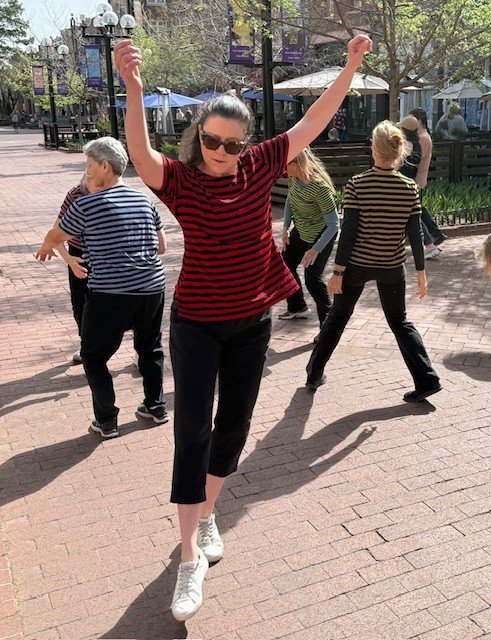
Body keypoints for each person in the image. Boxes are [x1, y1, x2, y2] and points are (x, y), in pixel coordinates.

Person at [114, 32, 372, 621]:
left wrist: (350, 67)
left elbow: (312, 122)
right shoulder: (181, 180)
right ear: (198, 137)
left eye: (231, 144)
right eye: (211, 141)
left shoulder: (258, 166)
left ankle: (207, 515)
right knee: (192, 432)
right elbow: (141, 153)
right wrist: (132, 87)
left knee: (233, 424)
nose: (220, 152)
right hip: (196, 324)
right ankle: (188, 558)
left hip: (252, 321)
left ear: (245, 144)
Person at [35, 137, 168, 439]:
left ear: (105, 166)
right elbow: (162, 246)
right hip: (152, 287)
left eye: (90, 164)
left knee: (93, 355)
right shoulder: (143, 199)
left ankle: (107, 420)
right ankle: (156, 406)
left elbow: (56, 235)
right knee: (150, 347)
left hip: (110, 291)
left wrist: (45, 247)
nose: (87, 170)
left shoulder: (86, 204)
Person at [306, 121, 441, 405]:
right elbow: (415, 235)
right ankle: (427, 380)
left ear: (374, 149)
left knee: (338, 318)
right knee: (400, 322)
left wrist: (337, 271)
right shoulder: (409, 188)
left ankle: (314, 373)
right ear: (398, 152)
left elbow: (349, 233)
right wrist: (421, 272)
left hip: (357, 265)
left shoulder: (357, 184)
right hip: (392, 267)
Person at [279, 147, 339, 330]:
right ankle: (297, 306)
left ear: (297, 164)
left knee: (312, 280)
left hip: (322, 233)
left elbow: (334, 224)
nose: (283, 167)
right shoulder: (294, 178)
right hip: (301, 230)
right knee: (285, 265)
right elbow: (290, 199)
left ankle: (327, 328)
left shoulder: (319, 188)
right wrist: (285, 226)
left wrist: (315, 249)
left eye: (286, 163)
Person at [52, 173, 96, 363]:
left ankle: (139, 343)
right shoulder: (75, 194)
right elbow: (55, 232)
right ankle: (86, 344)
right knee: (80, 301)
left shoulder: (117, 192)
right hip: (78, 254)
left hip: (109, 253)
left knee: (120, 299)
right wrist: (69, 259)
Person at [408, 107, 448, 250]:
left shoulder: (422, 138)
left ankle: (430, 242)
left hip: (417, 178)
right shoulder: (422, 136)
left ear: (419, 121)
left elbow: (416, 158)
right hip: (418, 178)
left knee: (414, 212)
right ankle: (436, 234)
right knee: (419, 209)